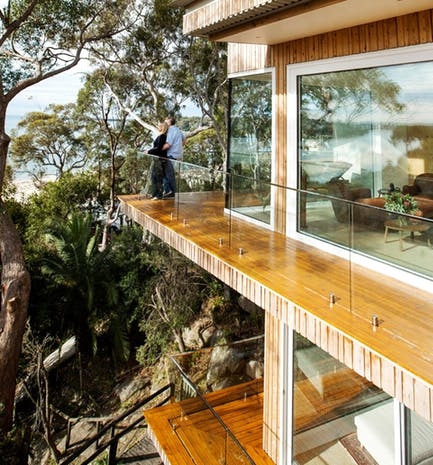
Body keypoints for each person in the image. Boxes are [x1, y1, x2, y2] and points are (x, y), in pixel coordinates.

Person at [162, 116, 186, 198]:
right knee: (170, 175)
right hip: (177, 155)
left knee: (164, 174)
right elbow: (184, 140)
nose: (164, 123)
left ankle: (169, 191)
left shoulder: (171, 130)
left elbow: (168, 144)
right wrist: (178, 147)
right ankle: (172, 193)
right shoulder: (178, 130)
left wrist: (156, 149)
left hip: (171, 155)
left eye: (165, 121)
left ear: (169, 122)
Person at [146, 121, 169, 200]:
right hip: (156, 159)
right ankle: (154, 194)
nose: (158, 127)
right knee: (153, 177)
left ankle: (159, 195)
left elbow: (158, 148)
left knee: (157, 177)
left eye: (159, 126)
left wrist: (148, 151)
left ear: (162, 127)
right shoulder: (161, 136)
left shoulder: (162, 136)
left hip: (160, 160)